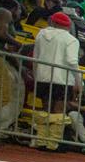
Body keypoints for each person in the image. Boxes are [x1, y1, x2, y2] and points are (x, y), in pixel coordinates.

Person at [30, 12, 81, 150]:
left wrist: (36, 75)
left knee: (45, 109)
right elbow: (72, 61)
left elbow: (35, 57)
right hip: (62, 79)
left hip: (42, 76)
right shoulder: (71, 39)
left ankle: (41, 140)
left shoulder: (41, 34)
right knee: (58, 111)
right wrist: (79, 80)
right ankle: (52, 143)